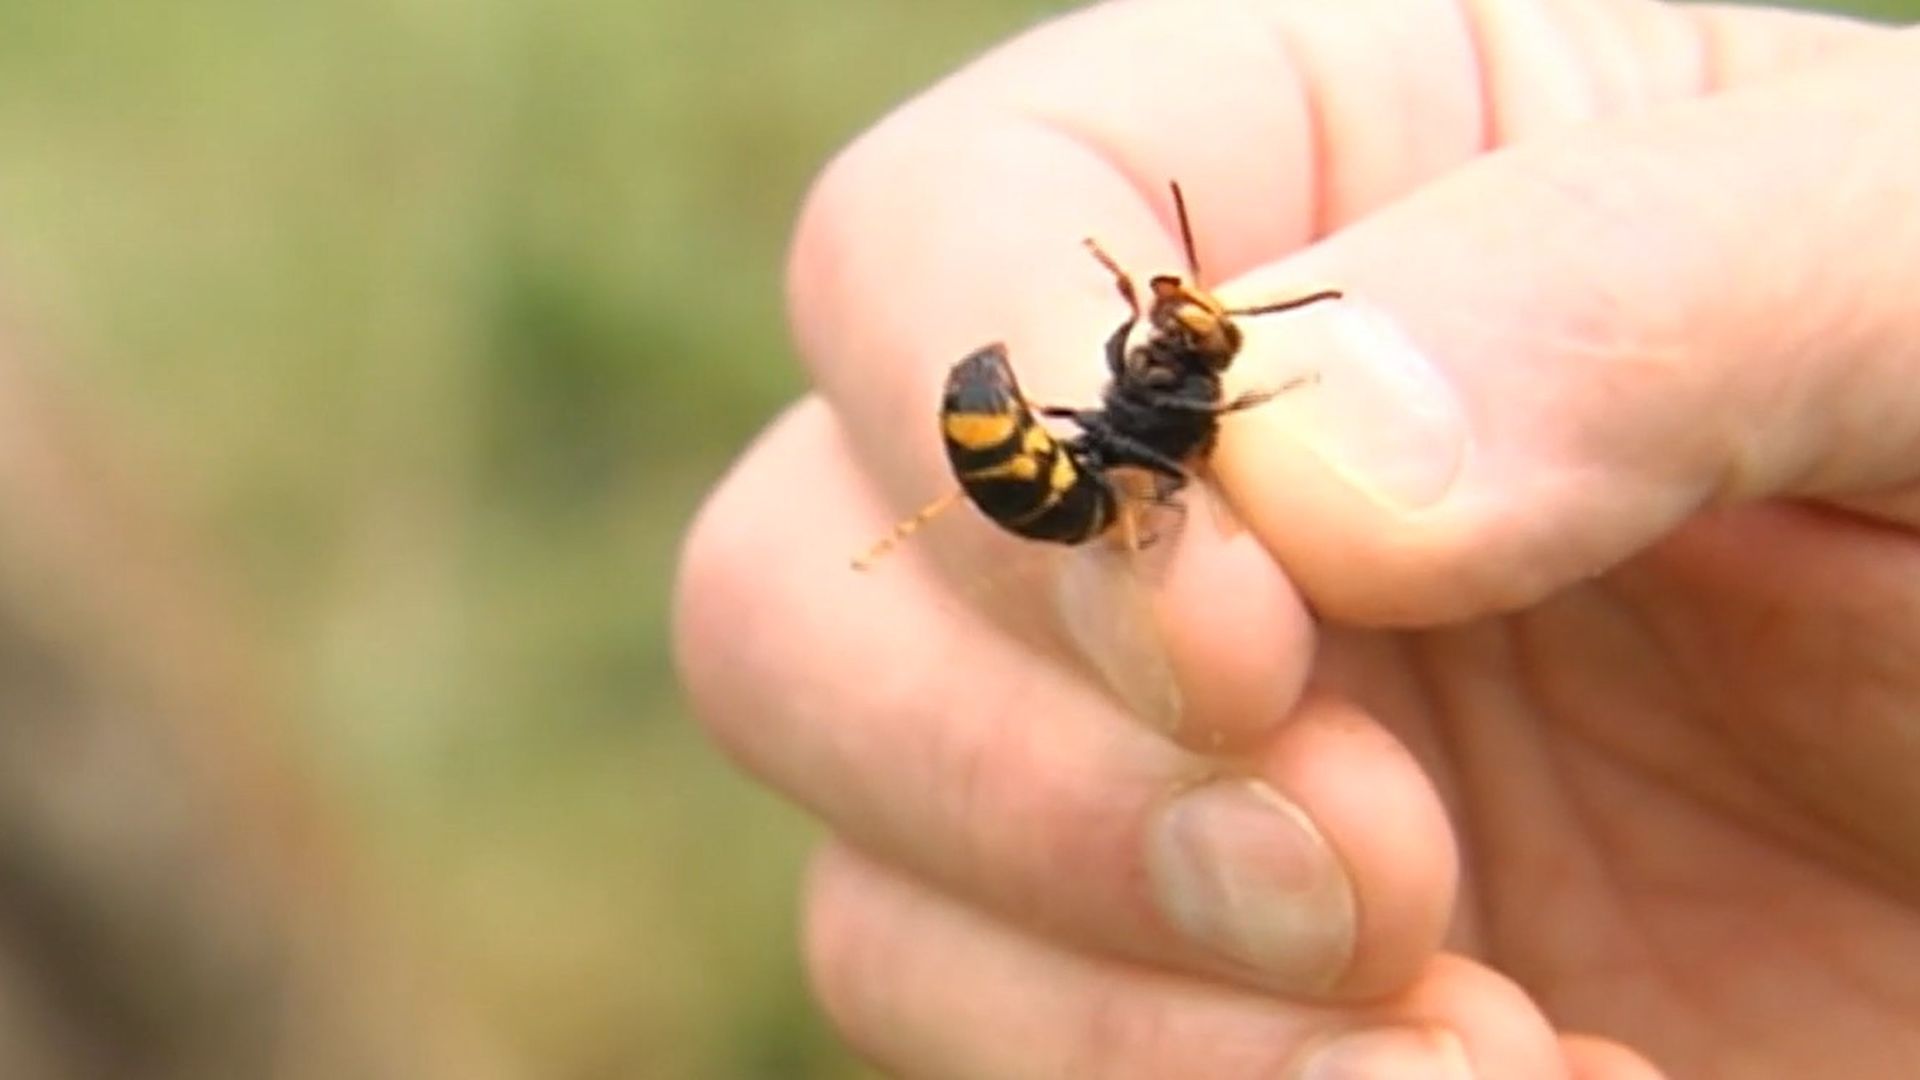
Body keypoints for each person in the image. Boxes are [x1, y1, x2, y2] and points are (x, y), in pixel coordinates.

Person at [675, 0, 1920, 1075]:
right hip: (1063, 461)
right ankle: (945, 503)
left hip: (1068, 474)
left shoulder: (1198, 418)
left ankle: (940, 508)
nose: (1182, 328)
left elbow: (1152, 440)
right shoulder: (1158, 392)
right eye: (1174, 317)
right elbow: (1135, 385)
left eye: (1194, 332)